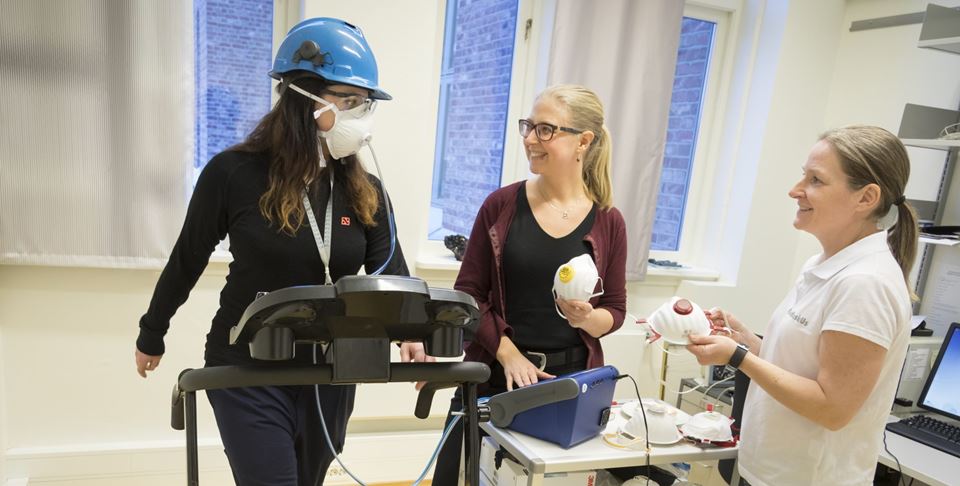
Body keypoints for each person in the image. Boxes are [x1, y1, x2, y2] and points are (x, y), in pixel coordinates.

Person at [134, 18, 431, 486]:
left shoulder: (364, 189)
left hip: (331, 369)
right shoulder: (233, 173)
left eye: (365, 103)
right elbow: (188, 256)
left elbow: (389, 271)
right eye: (348, 99)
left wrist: (414, 332)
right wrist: (152, 332)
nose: (361, 114)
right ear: (304, 97)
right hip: (246, 363)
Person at [686, 125, 918, 486]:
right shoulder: (823, 265)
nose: (796, 190)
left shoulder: (865, 284)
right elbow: (798, 368)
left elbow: (831, 407)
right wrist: (745, 340)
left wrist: (738, 357)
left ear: (866, 197)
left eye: (816, 180)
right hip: (767, 469)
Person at [433, 84, 628, 484]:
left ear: (583, 142)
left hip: (569, 387)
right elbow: (467, 296)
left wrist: (589, 319)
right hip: (494, 377)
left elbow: (617, 309)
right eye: (528, 126)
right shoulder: (501, 206)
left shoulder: (609, 221)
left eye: (545, 130)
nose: (529, 139)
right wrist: (508, 354)